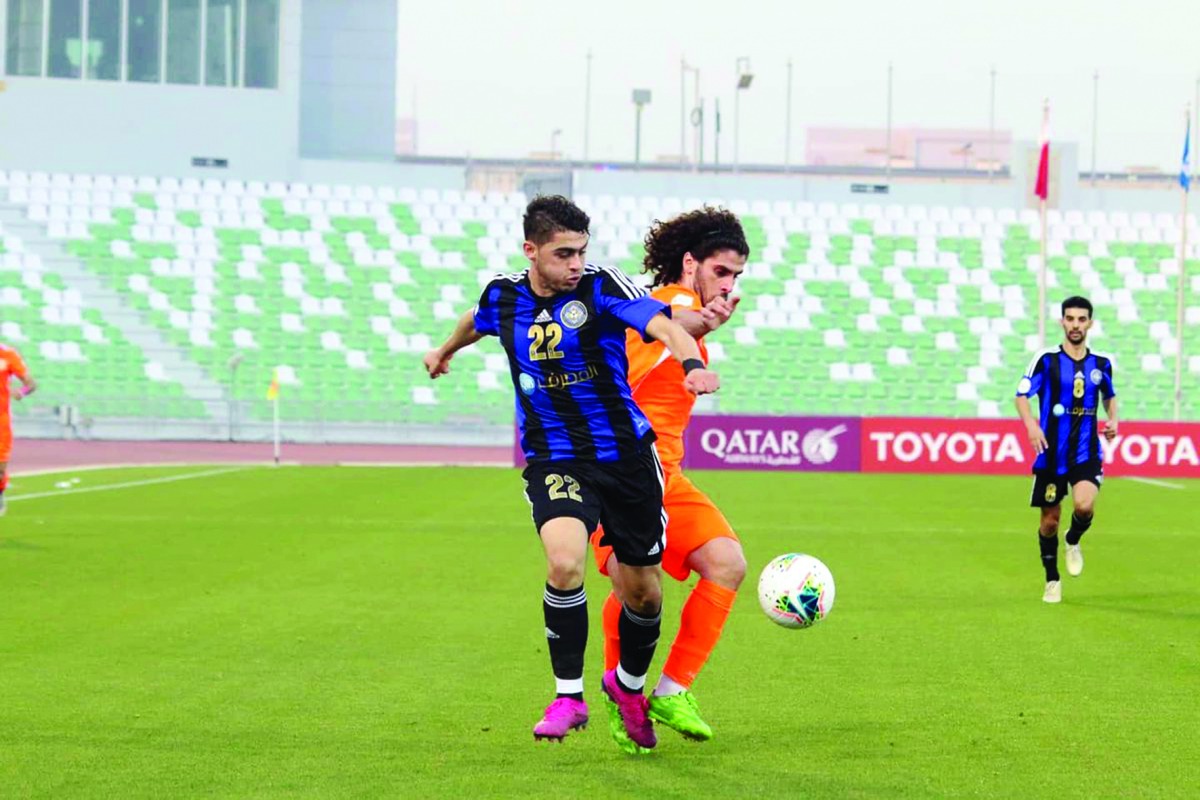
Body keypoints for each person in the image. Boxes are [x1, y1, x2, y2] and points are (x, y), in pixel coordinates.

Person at [423, 195, 720, 752]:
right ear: (531, 251)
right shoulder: (503, 296)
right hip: (556, 457)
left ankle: (628, 685)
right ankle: (568, 697)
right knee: (564, 562)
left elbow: (664, 327)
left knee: (643, 594)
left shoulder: (602, 286)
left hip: (627, 458)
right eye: (564, 254)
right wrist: (445, 350)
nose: (576, 264)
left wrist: (693, 363)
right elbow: (475, 320)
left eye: (581, 251)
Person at [590, 208, 748, 746]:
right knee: (636, 589)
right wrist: (706, 320)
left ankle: (671, 691)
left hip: (668, 477)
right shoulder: (670, 303)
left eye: (736, 276)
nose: (727, 285)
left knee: (726, 563)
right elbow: (680, 320)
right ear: (689, 263)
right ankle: (624, 695)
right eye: (720, 271)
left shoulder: (673, 310)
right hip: (620, 474)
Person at [1015, 296, 1117, 604]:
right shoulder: (1046, 359)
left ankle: (1073, 540)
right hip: (1051, 453)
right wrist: (1031, 426)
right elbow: (1021, 395)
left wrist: (1113, 419)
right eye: (1070, 319)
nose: (1075, 325)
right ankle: (1052, 579)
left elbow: (1109, 395)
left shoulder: (1102, 363)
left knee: (1084, 506)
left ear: (1090, 323)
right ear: (1062, 322)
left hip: (1086, 452)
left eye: (1081, 319)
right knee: (1049, 522)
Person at [0, 343, 37, 516]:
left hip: (1, 421)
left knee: (0, 468)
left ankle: (0, 491)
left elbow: (30, 384)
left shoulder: (8, 354)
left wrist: (21, 392)